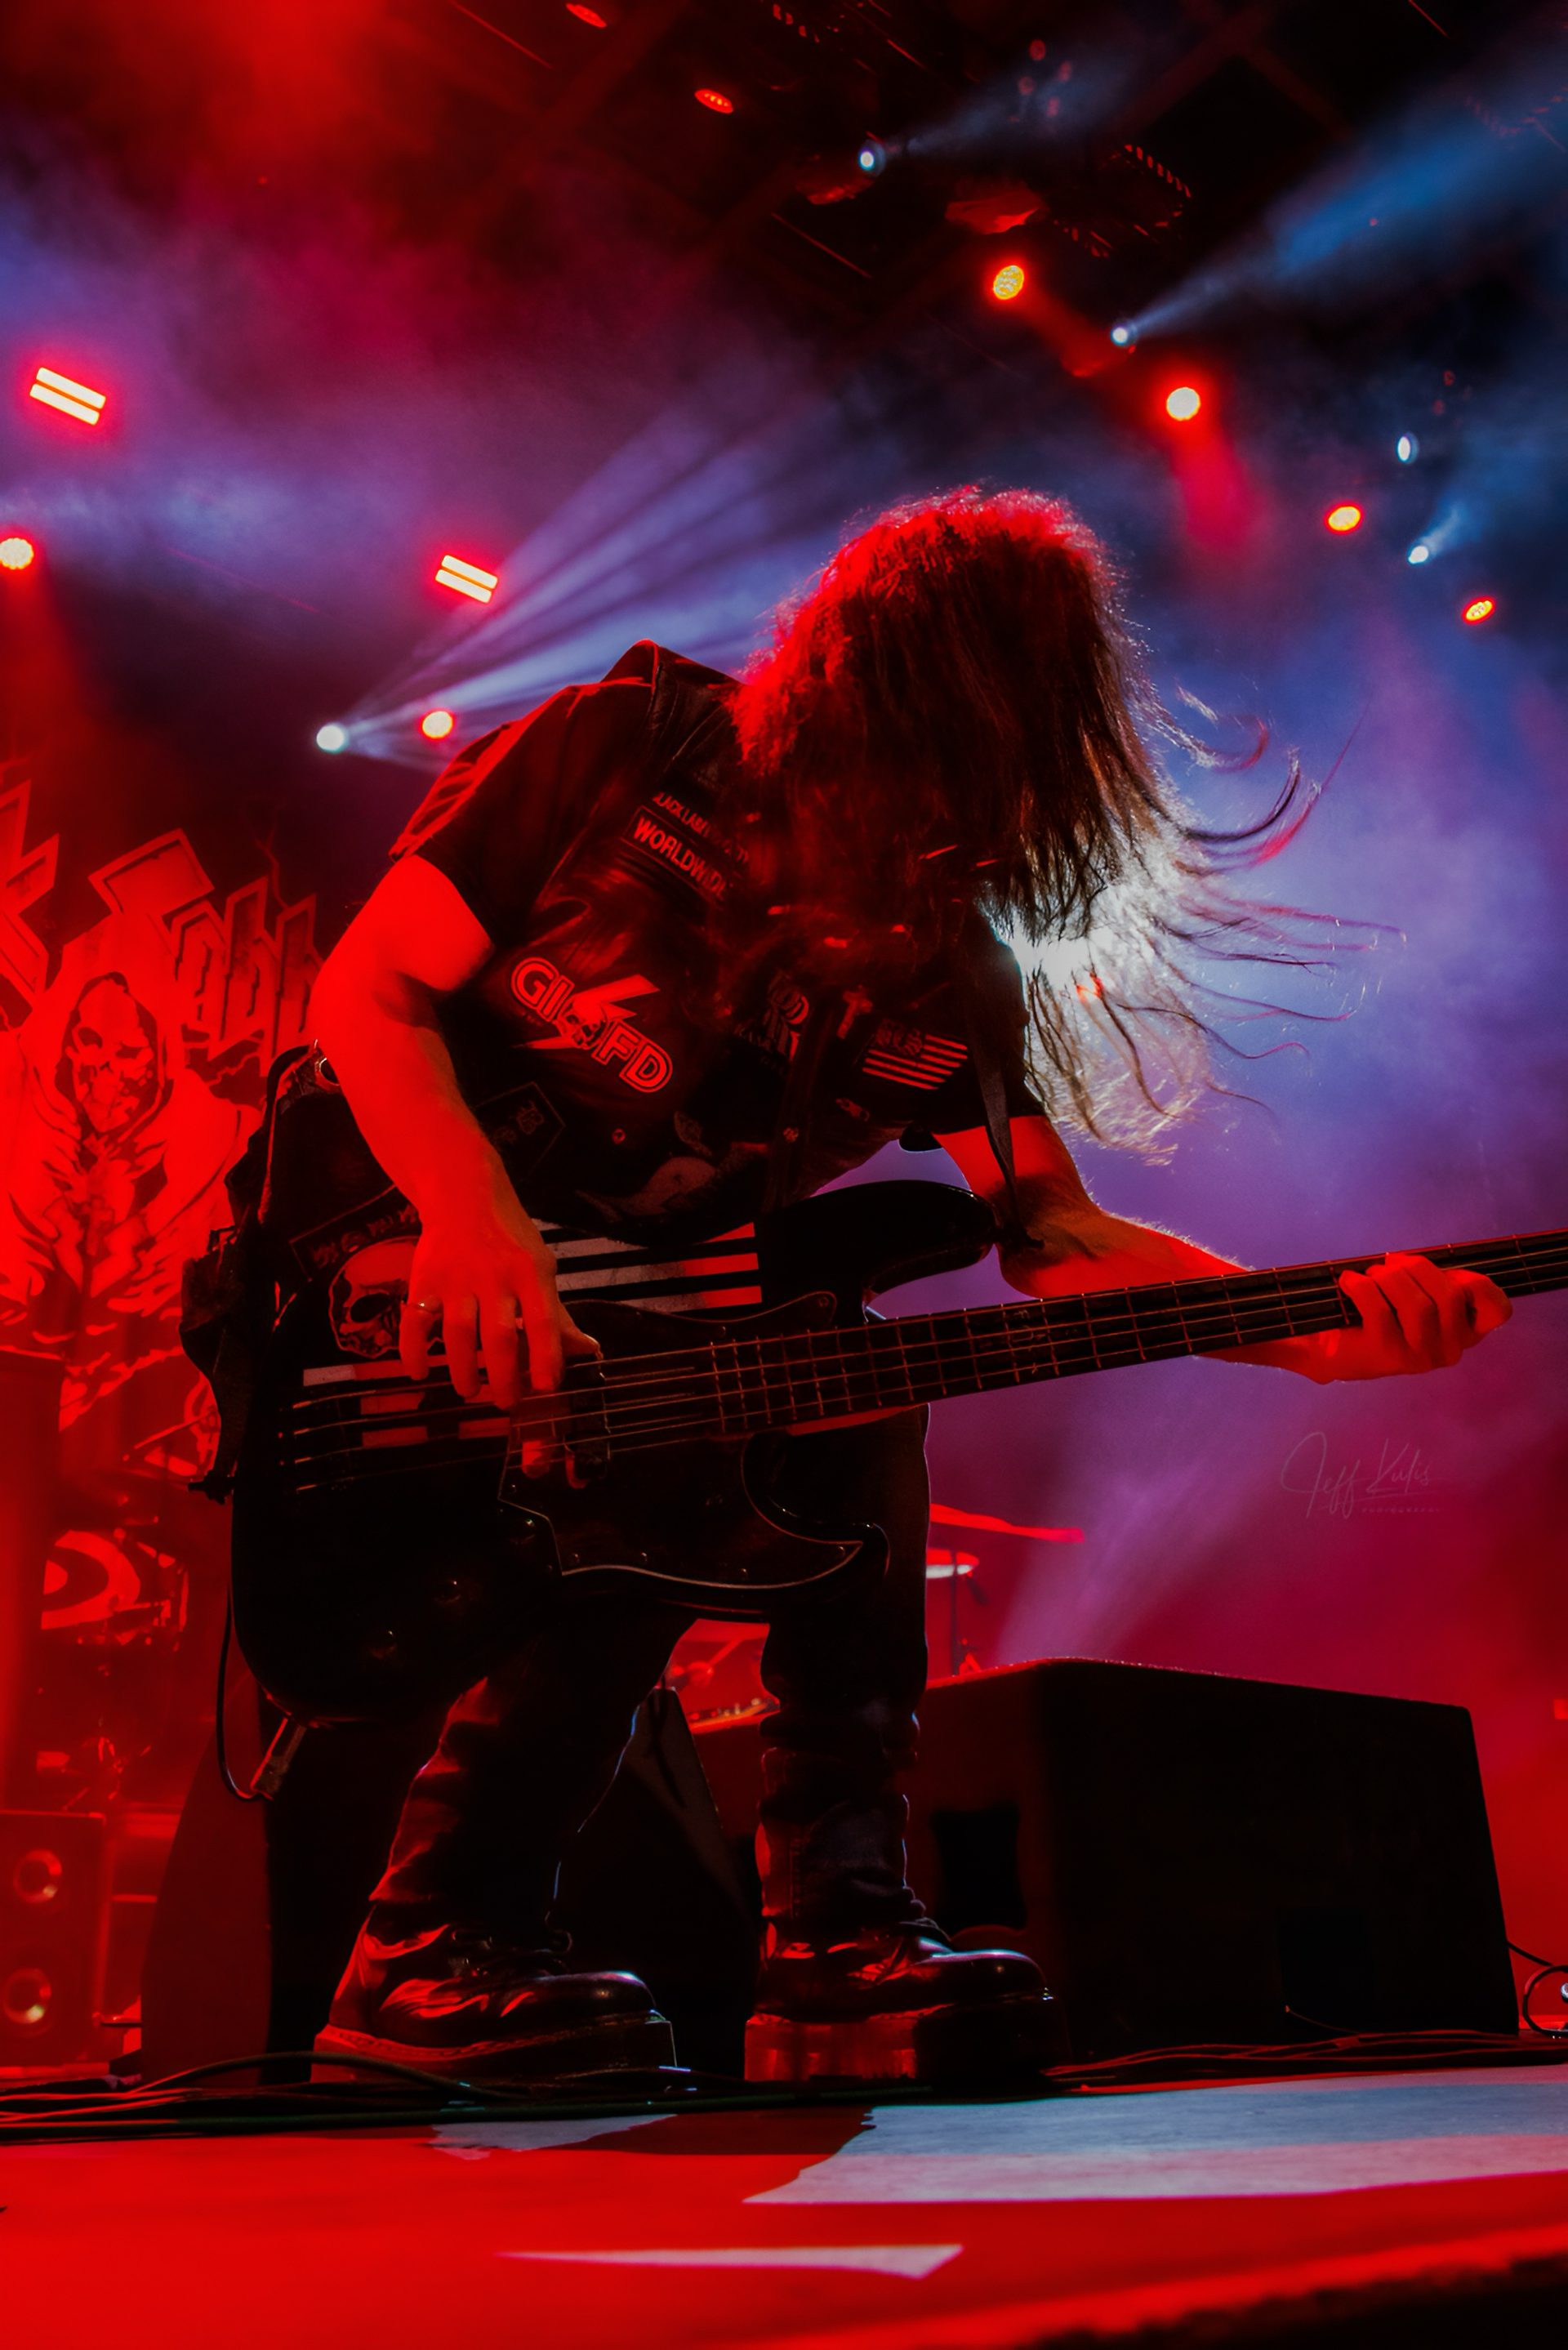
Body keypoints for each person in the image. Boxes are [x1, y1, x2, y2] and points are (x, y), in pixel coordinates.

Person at [305, 490, 1510, 2082]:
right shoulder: (622, 749)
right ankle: (429, 1937)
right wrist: (474, 1217)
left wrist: (1324, 1342)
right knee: (666, 1460)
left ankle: (838, 1934)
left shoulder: (945, 962)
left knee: (851, 1395)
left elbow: (1056, 1235)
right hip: (379, 1274)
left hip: (652, 1333)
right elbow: (370, 992)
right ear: (873, 698)